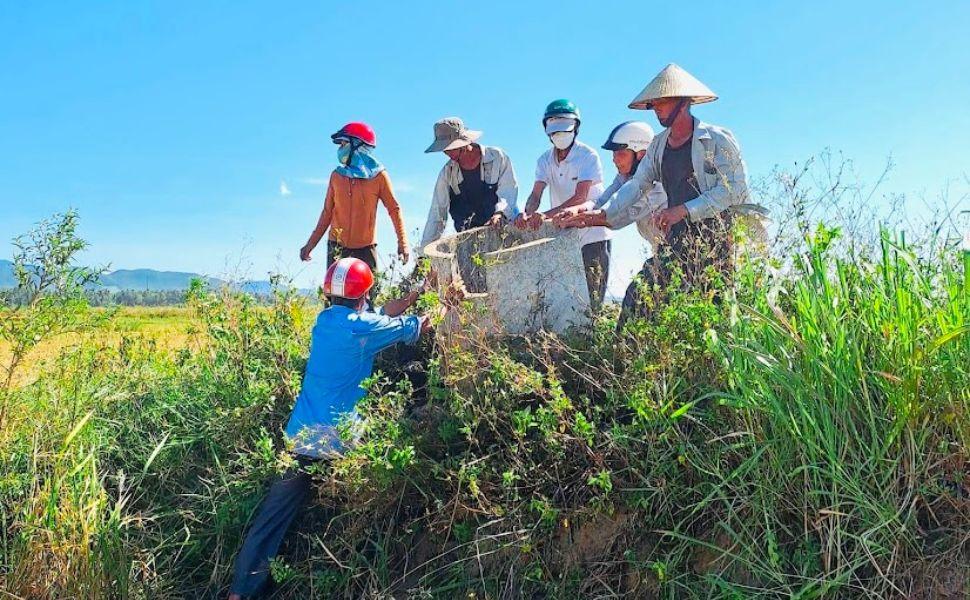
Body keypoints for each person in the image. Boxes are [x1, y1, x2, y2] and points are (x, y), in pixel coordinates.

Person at [228, 258, 430, 599]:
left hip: (300, 440)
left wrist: (413, 295)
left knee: (270, 522)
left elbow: (380, 314)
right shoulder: (363, 329)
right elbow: (415, 326)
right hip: (339, 444)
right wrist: (442, 302)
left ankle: (239, 593)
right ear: (364, 292)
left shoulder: (325, 323)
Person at [560, 64, 763, 327]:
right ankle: (628, 363)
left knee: (716, 312)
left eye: (662, 101)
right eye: (654, 103)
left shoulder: (716, 139)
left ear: (683, 102)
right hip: (677, 239)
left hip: (718, 240)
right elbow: (636, 185)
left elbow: (732, 189)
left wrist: (684, 210)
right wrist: (602, 214)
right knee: (639, 296)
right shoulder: (658, 145)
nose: (657, 108)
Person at [514, 99, 612, 308]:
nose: (559, 136)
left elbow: (581, 196)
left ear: (575, 128)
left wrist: (545, 215)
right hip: (563, 234)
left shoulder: (588, 156)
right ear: (548, 132)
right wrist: (528, 212)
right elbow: (535, 194)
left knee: (593, 297)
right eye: (555, 132)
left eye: (564, 130)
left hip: (592, 234)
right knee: (566, 299)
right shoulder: (544, 160)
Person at [300, 122, 410, 274]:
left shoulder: (379, 177)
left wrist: (402, 243)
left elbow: (394, 209)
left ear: (358, 146)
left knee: (369, 295)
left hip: (365, 249)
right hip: (337, 247)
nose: (340, 149)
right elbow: (327, 213)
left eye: (344, 143)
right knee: (336, 295)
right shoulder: (337, 176)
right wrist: (310, 245)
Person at [419, 117, 518, 249]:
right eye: (445, 149)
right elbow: (437, 213)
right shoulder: (447, 174)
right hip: (469, 243)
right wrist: (424, 253)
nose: (448, 153)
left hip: (504, 232)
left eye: (451, 148)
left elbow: (508, 190)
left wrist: (500, 214)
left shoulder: (497, 157)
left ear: (464, 143)